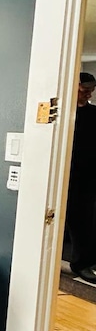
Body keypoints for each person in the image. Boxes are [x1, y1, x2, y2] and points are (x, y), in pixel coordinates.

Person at [66, 71, 96, 283]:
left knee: (84, 220)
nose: (88, 95)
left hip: (89, 175)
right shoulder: (64, 114)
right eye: (84, 90)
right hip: (65, 174)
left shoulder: (94, 114)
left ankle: (83, 263)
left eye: (91, 91)